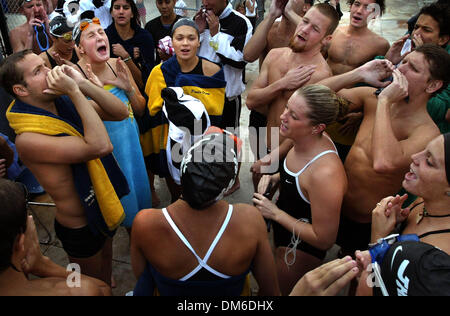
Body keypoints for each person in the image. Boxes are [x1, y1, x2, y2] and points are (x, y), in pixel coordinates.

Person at [0, 50, 131, 285]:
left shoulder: (64, 102)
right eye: (38, 71)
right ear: (21, 90)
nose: (50, 72)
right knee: (93, 285)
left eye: (44, 65)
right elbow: (100, 146)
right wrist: (73, 91)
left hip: (101, 205)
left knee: (106, 270)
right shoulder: (27, 138)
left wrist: (82, 84)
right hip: (80, 226)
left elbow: (121, 112)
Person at [316, 44, 450, 255]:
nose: (400, 69)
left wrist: (385, 101)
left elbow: (382, 163)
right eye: (403, 61)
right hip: (332, 204)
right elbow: (312, 97)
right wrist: (358, 73)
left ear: (432, 85)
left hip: (366, 222)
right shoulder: (372, 97)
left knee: (358, 275)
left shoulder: (426, 132)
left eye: (412, 68)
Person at [131, 130, 280, 296]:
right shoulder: (250, 220)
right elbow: (270, 291)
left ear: (183, 170)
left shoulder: (145, 223)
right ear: (227, 186)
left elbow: (143, 278)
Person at [252, 85, 347, 295]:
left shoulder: (326, 174)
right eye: (286, 108)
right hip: (285, 225)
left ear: (317, 127)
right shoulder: (301, 136)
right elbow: (289, 153)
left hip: (301, 247)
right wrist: (275, 175)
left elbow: (324, 239)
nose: (282, 116)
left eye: (293, 115)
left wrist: (275, 213)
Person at [246, 3, 339, 190]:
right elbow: (251, 101)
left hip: (291, 152)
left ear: (326, 38)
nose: (304, 30)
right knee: (259, 187)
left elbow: (308, 128)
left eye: (314, 29)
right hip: (265, 136)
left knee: (280, 197)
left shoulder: (320, 75)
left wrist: (275, 156)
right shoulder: (275, 55)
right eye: (305, 21)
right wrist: (282, 84)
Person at [73, 17, 152, 230]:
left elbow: (140, 109)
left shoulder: (117, 64)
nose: (100, 37)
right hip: (106, 153)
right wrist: (97, 91)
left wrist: (127, 88)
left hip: (131, 144)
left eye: (101, 33)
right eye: (91, 35)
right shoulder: (75, 78)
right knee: (118, 207)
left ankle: (139, 236)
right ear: (79, 48)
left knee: (139, 199)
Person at [354, 133, 450, 295]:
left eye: (429, 161)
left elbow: (372, 289)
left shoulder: (439, 255)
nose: (414, 157)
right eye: (424, 150)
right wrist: (394, 228)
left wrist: (378, 241)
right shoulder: (423, 202)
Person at [143, 18, 226, 203]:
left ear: (199, 41)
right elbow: (153, 112)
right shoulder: (160, 72)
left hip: (203, 140)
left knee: (203, 191)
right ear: (172, 41)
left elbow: (216, 112)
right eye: (179, 38)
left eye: (191, 38)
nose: (185, 43)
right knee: (178, 193)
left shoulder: (212, 70)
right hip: (171, 140)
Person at [0, 179, 112, 296]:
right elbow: (103, 289)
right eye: (28, 215)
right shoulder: (76, 292)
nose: (30, 218)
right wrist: (43, 265)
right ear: (20, 243)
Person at [385, 2, 450, 134]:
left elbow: (439, 109)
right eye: (416, 27)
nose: (416, 34)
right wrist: (387, 61)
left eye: (426, 30)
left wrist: (420, 58)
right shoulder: (406, 45)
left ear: (442, 40)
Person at [194, 0, 252, 132]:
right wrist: (199, 33)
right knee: (199, 148)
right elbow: (191, 57)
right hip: (199, 98)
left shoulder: (241, 23)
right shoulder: (200, 19)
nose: (205, 3)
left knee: (227, 147)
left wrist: (216, 35)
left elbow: (240, 61)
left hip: (227, 101)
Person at [326, 0, 390, 75]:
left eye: (367, 8)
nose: (359, 11)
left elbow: (383, 74)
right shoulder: (333, 33)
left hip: (354, 86)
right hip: (325, 84)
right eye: (357, 4)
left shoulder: (380, 45)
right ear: (350, 6)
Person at [106, 0, 155, 90]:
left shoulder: (145, 37)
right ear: (112, 13)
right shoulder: (105, 37)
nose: (121, 11)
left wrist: (126, 56)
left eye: (126, 8)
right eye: (117, 8)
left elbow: (147, 82)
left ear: (132, 13)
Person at [145, 0, 183, 65]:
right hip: (160, 70)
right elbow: (147, 55)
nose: (164, 6)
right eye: (160, 3)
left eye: (167, 2)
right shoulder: (150, 26)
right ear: (156, 3)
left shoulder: (184, 24)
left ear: (174, 2)